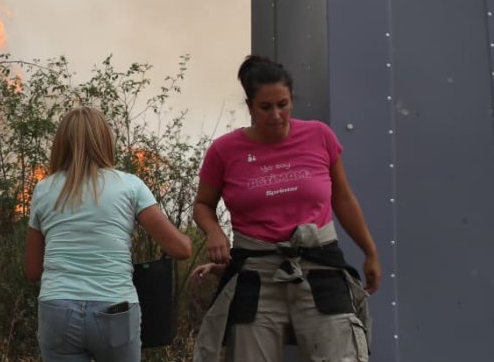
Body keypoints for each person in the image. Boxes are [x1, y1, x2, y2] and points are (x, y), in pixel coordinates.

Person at [191, 55, 380, 362]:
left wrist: (369, 252)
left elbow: (343, 199)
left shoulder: (320, 136)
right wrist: (214, 232)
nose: (276, 115)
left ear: (292, 100)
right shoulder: (224, 151)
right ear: (250, 106)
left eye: (283, 104)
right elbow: (202, 204)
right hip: (256, 275)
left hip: (320, 268)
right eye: (266, 107)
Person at [24, 105, 193, 362]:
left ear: (61, 144)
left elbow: (32, 270)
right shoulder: (130, 186)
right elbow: (181, 250)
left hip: (57, 308)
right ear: (105, 141)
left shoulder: (43, 190)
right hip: (115, 309)